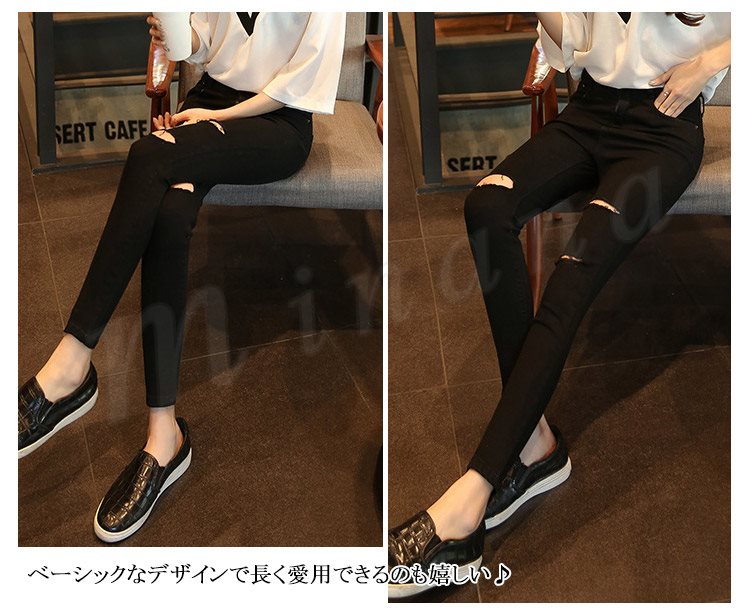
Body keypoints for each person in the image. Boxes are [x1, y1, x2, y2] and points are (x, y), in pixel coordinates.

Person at [388, 11, 730, 598]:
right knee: (485, 207)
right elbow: (573, 37)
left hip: (665, 129)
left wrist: (711, 62)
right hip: (588, 113)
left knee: (570, 281)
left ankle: (470, 496)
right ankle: (535, 442)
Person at [18, 12, 346, 543]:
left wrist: (215, 121)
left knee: (149, 154)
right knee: (170, 214)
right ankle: (163, 436)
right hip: (211, 100)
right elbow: (204, 44)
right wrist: (181, 36)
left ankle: (71, 364)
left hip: (277, 120)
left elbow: (302, 83)